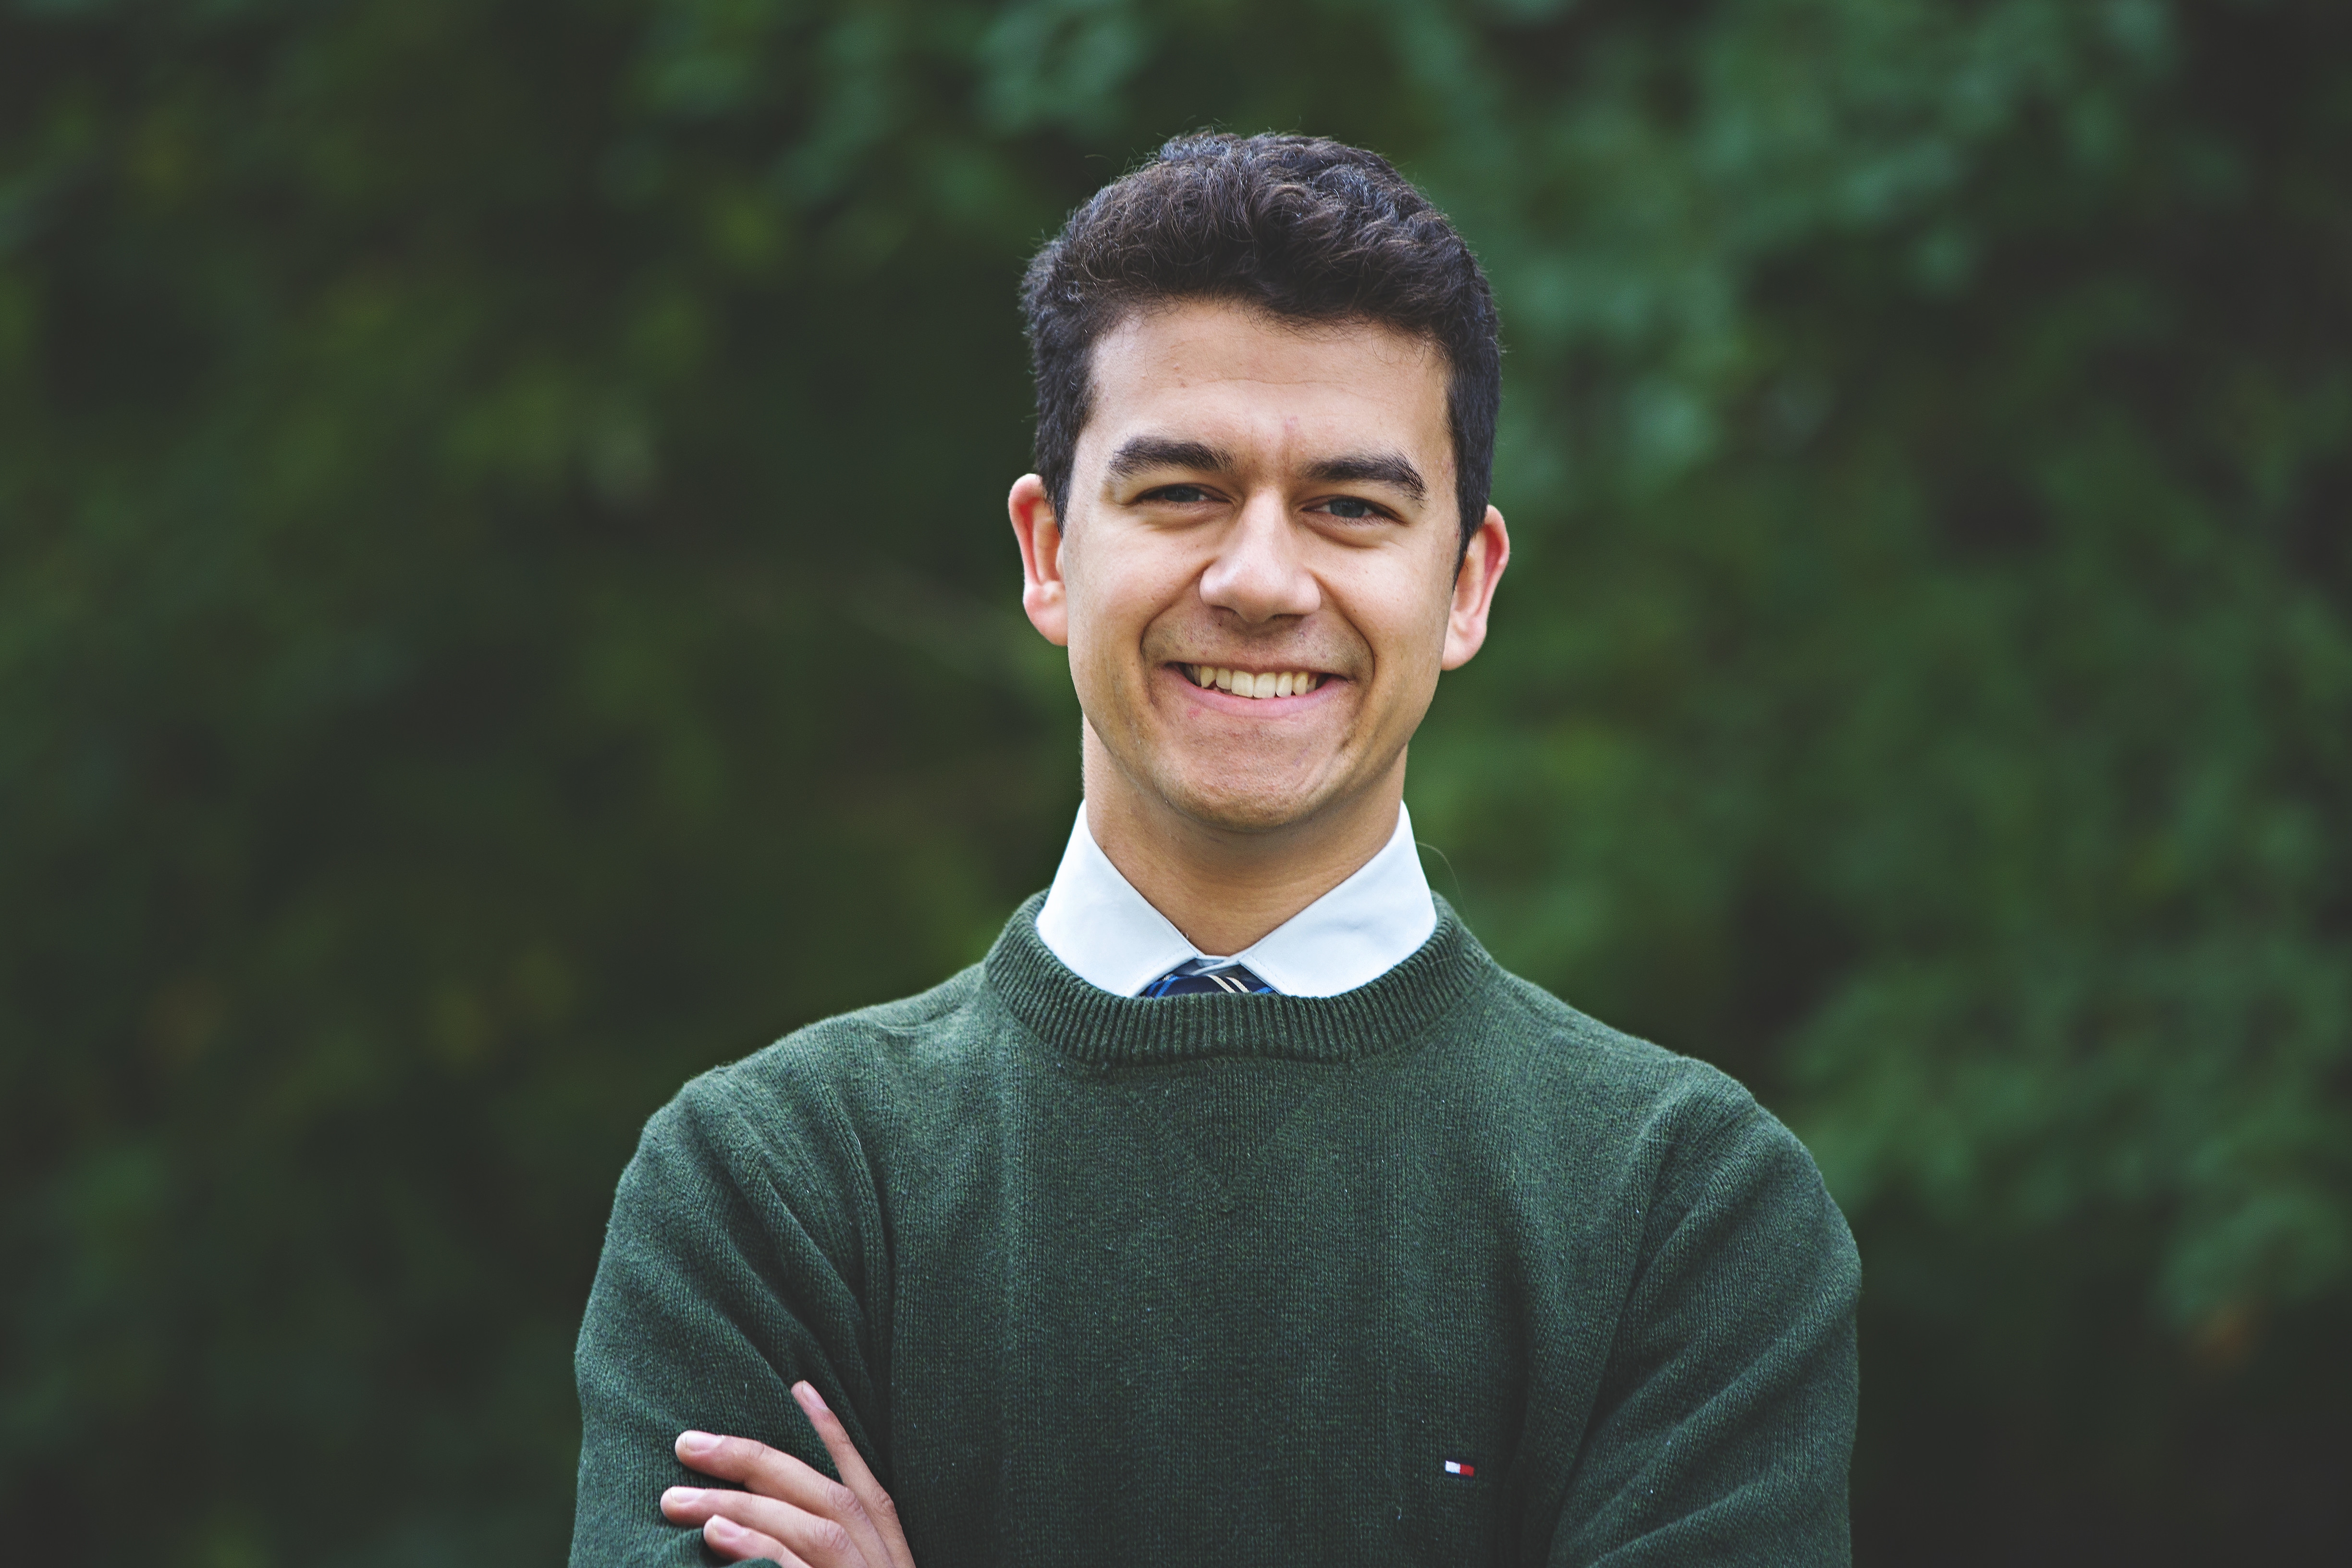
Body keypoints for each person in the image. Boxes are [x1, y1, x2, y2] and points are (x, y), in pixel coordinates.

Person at [568, 132, 1859, 1568]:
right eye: (1182, 492)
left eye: (1349, 509)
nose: (1258, 580)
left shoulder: (1683, 1211)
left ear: (1467, 586)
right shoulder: (773, 1187)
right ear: (1050, 549)